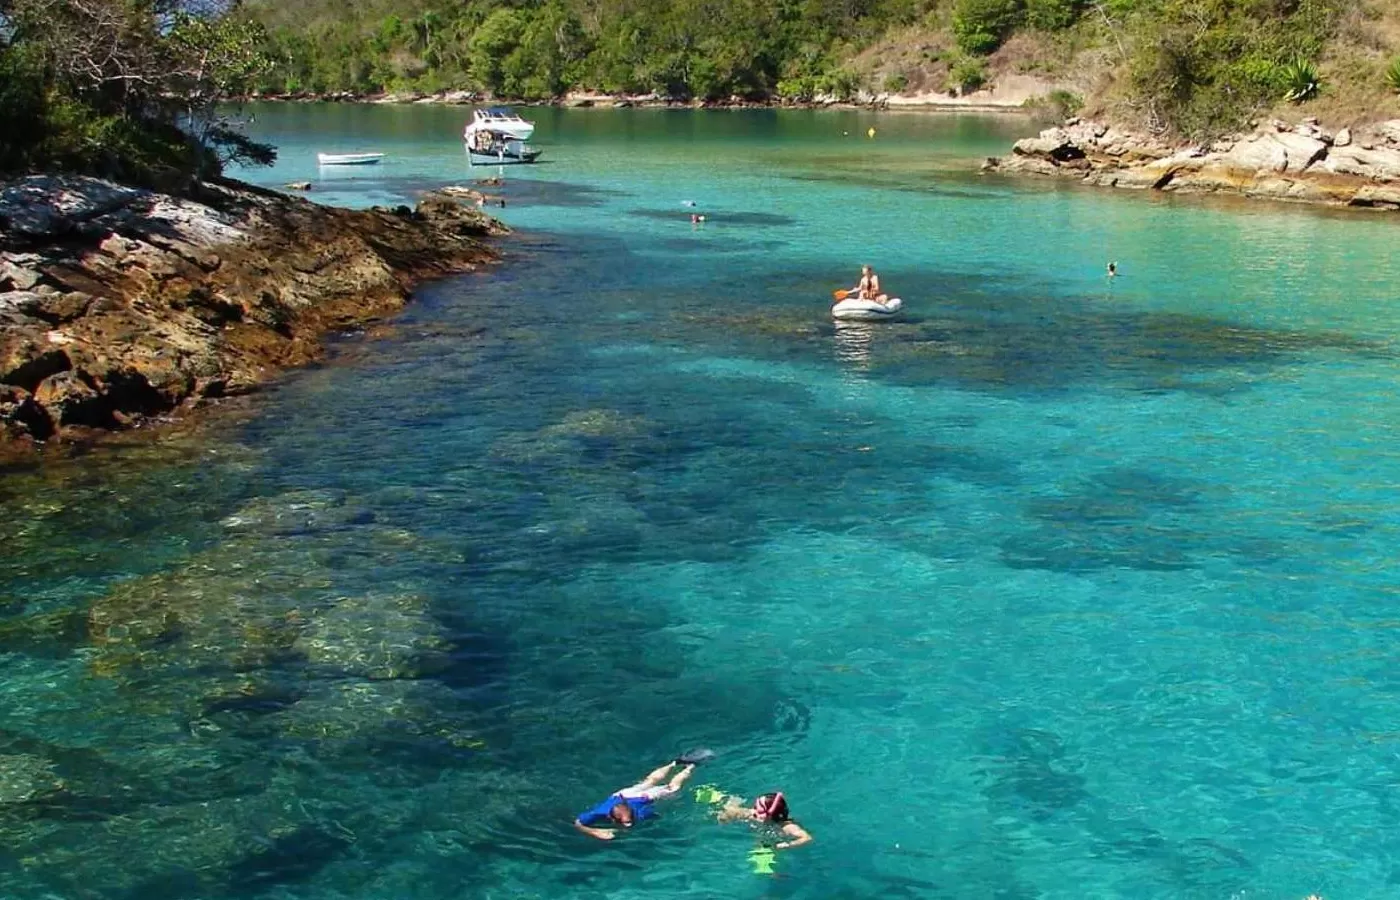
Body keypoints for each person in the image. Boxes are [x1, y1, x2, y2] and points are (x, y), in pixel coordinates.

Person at [574, 758, 701, 841]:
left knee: (672, 788)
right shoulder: (598, 813)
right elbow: (578, 823)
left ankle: (690, 766)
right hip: (624, 795)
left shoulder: (642, 813)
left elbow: (657, 813)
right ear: (610, 817)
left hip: (641, 798)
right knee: (650, 781)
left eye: (628, 822)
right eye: (626, 822)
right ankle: (674, 763)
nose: (628, 825)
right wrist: (594, 832)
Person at [716, 791, 814, 850]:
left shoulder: (787, 826)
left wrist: (786, 845)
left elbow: (806, 838)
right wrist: (724, 818)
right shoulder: (755, 815)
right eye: (755, 807)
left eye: (758, 810)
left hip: (768, 841)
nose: (754, 812)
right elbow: (734, 812)